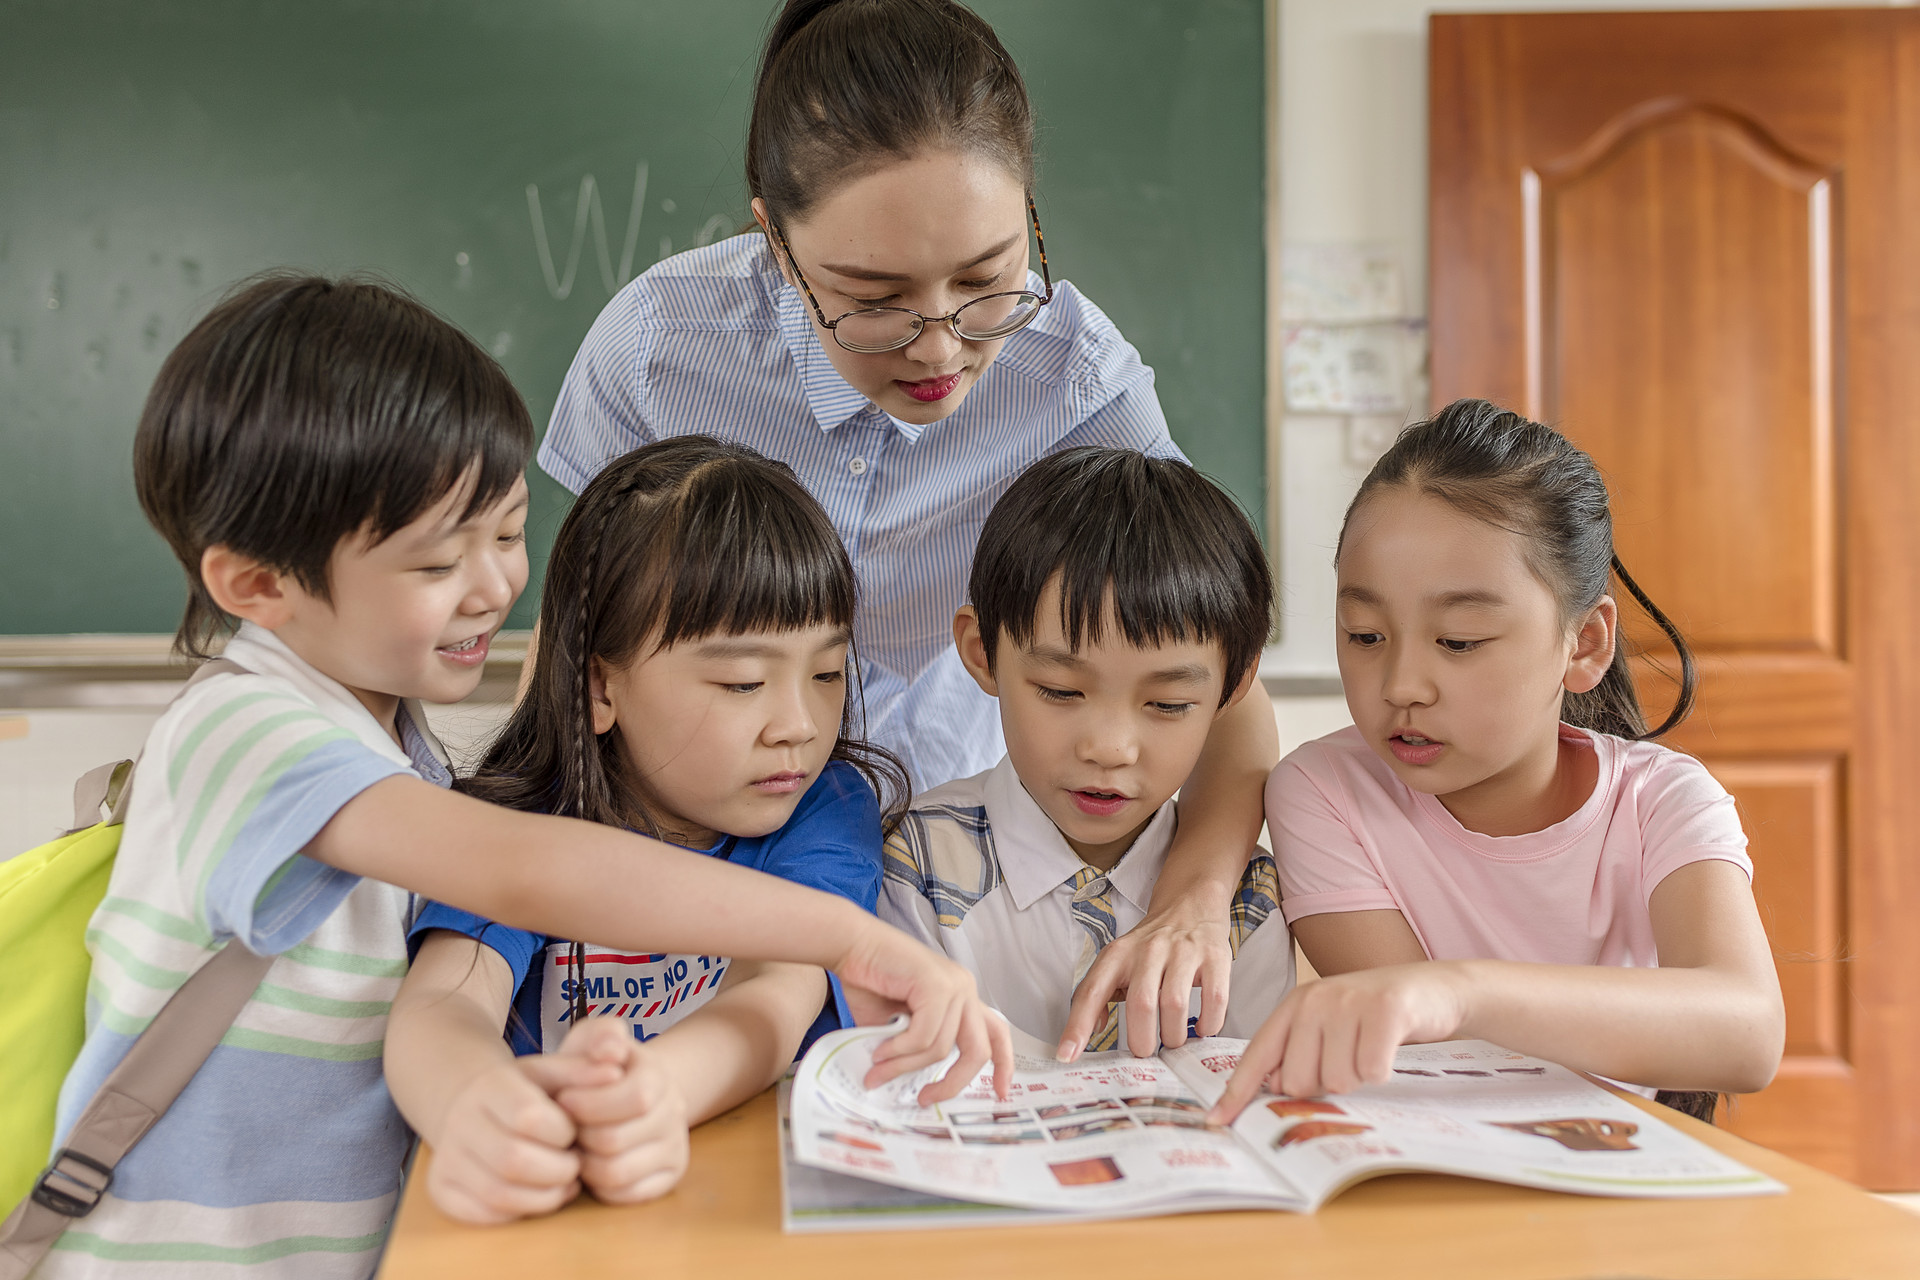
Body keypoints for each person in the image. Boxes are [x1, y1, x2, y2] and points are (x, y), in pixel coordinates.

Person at [38, 274, 1008, 1279]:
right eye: (436, 563)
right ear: (257, 583)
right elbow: (525, 873)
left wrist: (496, 1108)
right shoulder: (245, 731)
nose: (497, 586)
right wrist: (851, 938)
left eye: (506, 533)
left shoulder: (391, 742)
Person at [537, 0, 1279, 1053]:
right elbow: (581, 641)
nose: (940, 347)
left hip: (966, 853)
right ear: (775, 242)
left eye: (987, 280)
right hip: (698, 837)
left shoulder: (1073, 377)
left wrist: (1196, 899)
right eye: (874, 299)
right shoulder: (660, 347)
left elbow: (1210, 664)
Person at [1209, 400, 1784, 1126]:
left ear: (1583, 644)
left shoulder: (1663, 800)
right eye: (1365, 635)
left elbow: (1749, 1033)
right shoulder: (1324, 792)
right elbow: (1441, 1063)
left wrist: (1459, 992)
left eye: (1458, 640)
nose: (1401, 686)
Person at [385, 437, 910, 1224]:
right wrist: (479, 1105)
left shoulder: (824, 806)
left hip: (741, 1217)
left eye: (828, 673)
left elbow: (777, 990)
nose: (799, 725)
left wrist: (652, 1093)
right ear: (601, 685)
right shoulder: (521, 829)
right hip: (554, 1217)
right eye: (742, 682)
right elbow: (442, 1005)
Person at [880, 448, 1294, 1052]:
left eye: (1168, 704)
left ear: (1232, 687)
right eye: (1060, 690)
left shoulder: (1246, 903)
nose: (1110, 749)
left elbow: (1259, 1087)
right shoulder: (918, 862)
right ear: (982, 653)